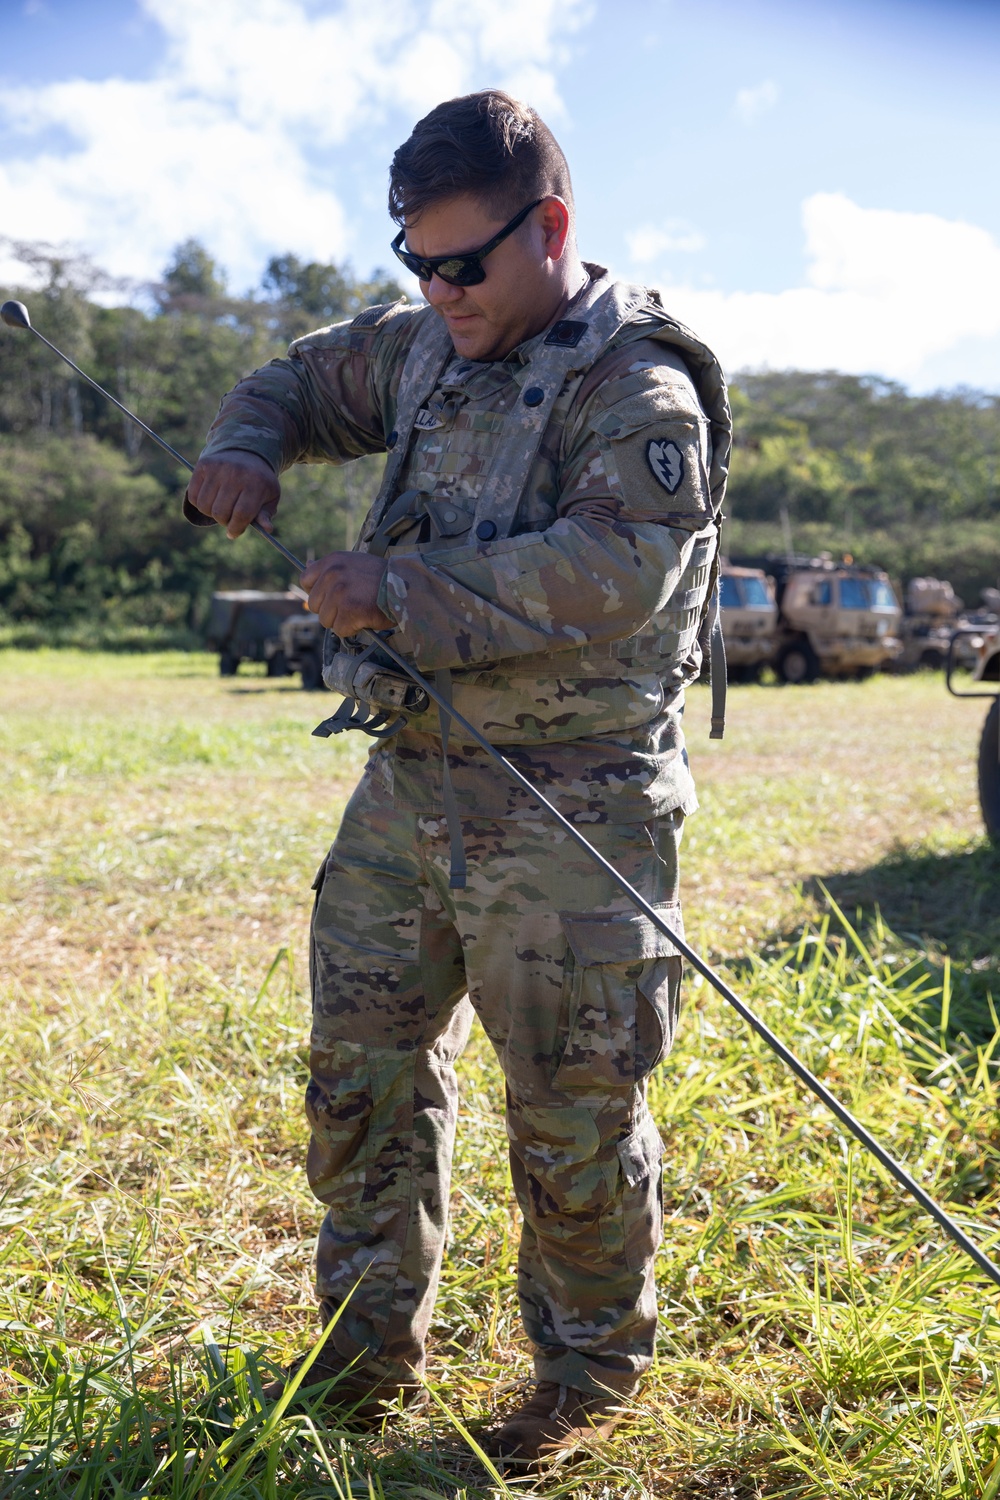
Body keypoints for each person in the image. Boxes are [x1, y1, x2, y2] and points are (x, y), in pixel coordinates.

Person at [186, 88, 731, 1467]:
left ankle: (587, 1376)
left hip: (575, 802)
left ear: (549, 227)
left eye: (464, 263)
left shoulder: (638, 386)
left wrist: (396, 589)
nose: (438, 292)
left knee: (572, 1102)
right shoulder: (426, 340)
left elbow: (619, 569)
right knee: (360, 1071)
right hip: (412, 780)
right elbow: (302, 380)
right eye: (412, 264)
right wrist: (247, 447)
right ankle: (360, 1352)